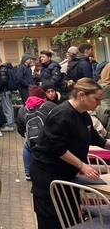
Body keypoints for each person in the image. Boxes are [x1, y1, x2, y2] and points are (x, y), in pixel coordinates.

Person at [30, 78, 110, 229]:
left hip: (67, 174)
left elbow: (97, 140)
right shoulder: (62, 114)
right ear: (82, 95)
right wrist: (82, 165)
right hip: (48, 174)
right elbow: (57, 148)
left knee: (70, 216)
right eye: (96, 99)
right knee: (52, 219)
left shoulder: (84, 115)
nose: (98, 103)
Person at [15, 85, 55, 181]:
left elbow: (20, 128)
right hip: (49, 139)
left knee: (27, 146)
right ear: (42, 97)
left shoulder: (22, 109)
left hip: (32, 140)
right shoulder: (49, 105)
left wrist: (28, 135)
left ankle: (28, 173)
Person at [0, 57, 16, 132]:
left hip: (5, 90)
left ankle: (10, 125)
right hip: (9, 90)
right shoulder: (8, 67)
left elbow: (3, 81)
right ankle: (11, 123)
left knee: (6, 108)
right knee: (10, 107)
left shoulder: (2, 69)